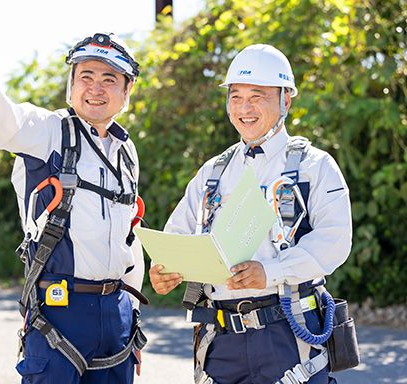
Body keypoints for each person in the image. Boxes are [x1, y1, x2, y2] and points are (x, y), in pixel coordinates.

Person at [0, 32, 147, 384]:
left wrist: (132, 317)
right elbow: (8, 123)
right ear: (71, 86)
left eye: (109, 79)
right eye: (85, 77)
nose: (95, 88)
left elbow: (129, 238)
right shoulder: (48, 132)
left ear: (127, 90)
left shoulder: (127, 153)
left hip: (116, 314)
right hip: (59, 311)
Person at [149, 44, 352, 384]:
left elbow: (335, 242)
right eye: (235, 96)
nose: (244, 108)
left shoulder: (314, 166)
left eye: (257, 96)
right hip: (221, 342)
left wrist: (271, 272)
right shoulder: (212, 172)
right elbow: (177, 238)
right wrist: (166, 271)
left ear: (286, 99)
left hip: (290, 335)